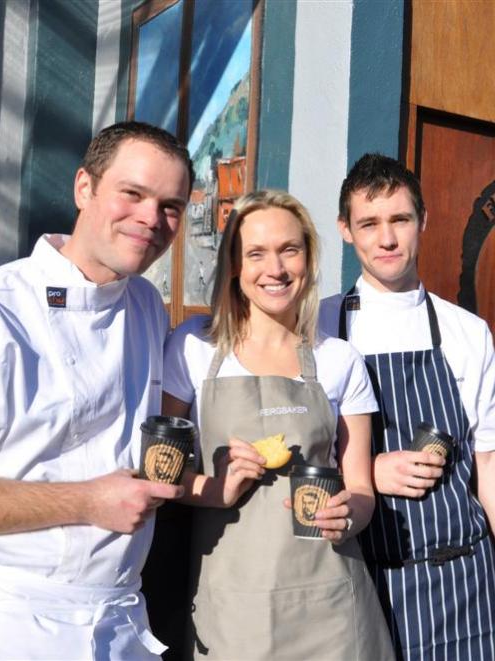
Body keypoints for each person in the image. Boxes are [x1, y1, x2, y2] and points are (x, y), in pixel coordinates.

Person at [162, 190, 394, 660]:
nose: (276, 268)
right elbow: (157, 472)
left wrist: (349, 514)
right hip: (232, 609)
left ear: (308, 258)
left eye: (290, 249)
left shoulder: (339, 360)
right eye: (256, 253)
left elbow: (362, 490)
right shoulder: (192, 347)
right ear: (233, 265)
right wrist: (214, 490)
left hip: (331, 604)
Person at [0, 121, 193, 659]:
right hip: (18, 615)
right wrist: (87, 501)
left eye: (171, 206)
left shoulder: (148, 306)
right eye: (132, 193)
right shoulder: (6, 310)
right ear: (84, 188)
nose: (151, 219)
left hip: (125, 615)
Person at [319, 153, 495, 660]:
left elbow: (487, 462)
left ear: (423, 220)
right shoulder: (320, 327)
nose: (387, 238)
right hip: (361, 581)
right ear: (345, 230)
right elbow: (294, 452)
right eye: (369, 223)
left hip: (466, 583)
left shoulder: (466, 331)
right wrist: (367, 469)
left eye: (399, 219)